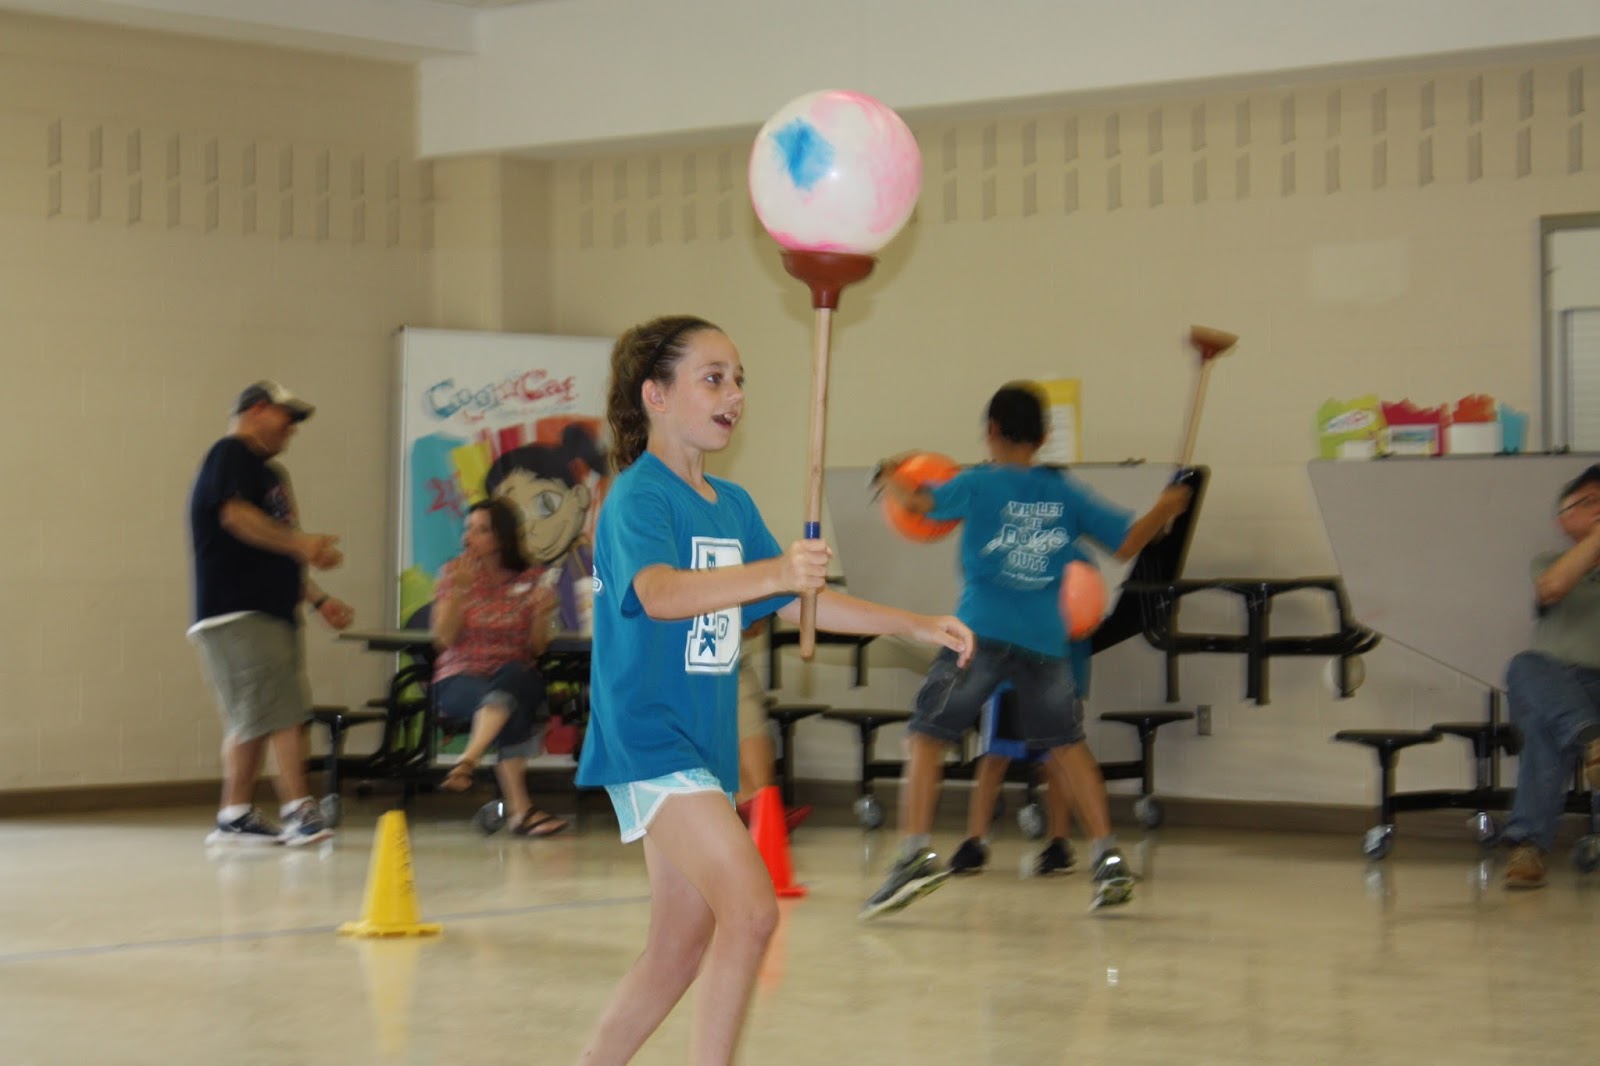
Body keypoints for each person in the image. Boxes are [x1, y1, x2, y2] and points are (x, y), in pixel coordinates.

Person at [573, 315, 974, 1066]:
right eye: (713, 378)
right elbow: (657, 593)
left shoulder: (731, 504)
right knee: (752, 914)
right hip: (651, 739)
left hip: (705, 745)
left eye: (740, 380)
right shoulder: (637, 498)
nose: (734, 395)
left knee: (676, 948)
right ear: (656, 394)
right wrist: (778, 572)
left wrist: (915, 624)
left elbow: (797, 602)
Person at [861, 381, 1192, 917]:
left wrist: (889, 474)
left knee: (926, 737)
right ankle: (1108, 862)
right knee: (1067, 747)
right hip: (1045, 642)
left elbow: (918, 501)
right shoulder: (1065, 493)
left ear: (991, 432)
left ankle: (913, 856)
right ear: (1043, 438)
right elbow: (1130, 540)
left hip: (980, 634)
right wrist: (1167, 505)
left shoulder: (977, 483)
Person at [187, 380, 353, 846]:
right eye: (287, 418)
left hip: (263, 610)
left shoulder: (272, 475)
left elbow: (277, 548)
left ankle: (235, 813)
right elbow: (236, 518)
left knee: (253, 715)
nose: (292, 430)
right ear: (257, 409)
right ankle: (299, 809)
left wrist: (318, 598)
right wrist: (303, 543)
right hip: (239, 611)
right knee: (285, 711)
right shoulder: (231, 455)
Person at [431, 497, 570, 837]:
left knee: (512, 678)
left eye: (480, 531)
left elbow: (537, 648)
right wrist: (461, 594)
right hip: (460, 678)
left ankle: (468, 761)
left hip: (514, 673)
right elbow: (442, 640)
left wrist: (541, 614)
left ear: (502, 537)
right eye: (468, 530)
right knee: (510, 703)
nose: (469, 538)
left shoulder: (534, 577)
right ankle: (521, 811)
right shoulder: (454, 573)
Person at [1502, 464, 1600, 889]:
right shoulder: (1550, 563)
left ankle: (1528, 846)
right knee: (1526, 666)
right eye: (1591, 503)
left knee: (1545, 723)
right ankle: (1594, 740)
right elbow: (1552, 589)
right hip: (1559, 684)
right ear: (1565, 520)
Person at [733, 620, 812, 832]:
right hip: (684, 665)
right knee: (713, 741)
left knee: (752, 728)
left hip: (734, 662)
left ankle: (761, 811)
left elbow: (754, 628)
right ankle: (756, 811)